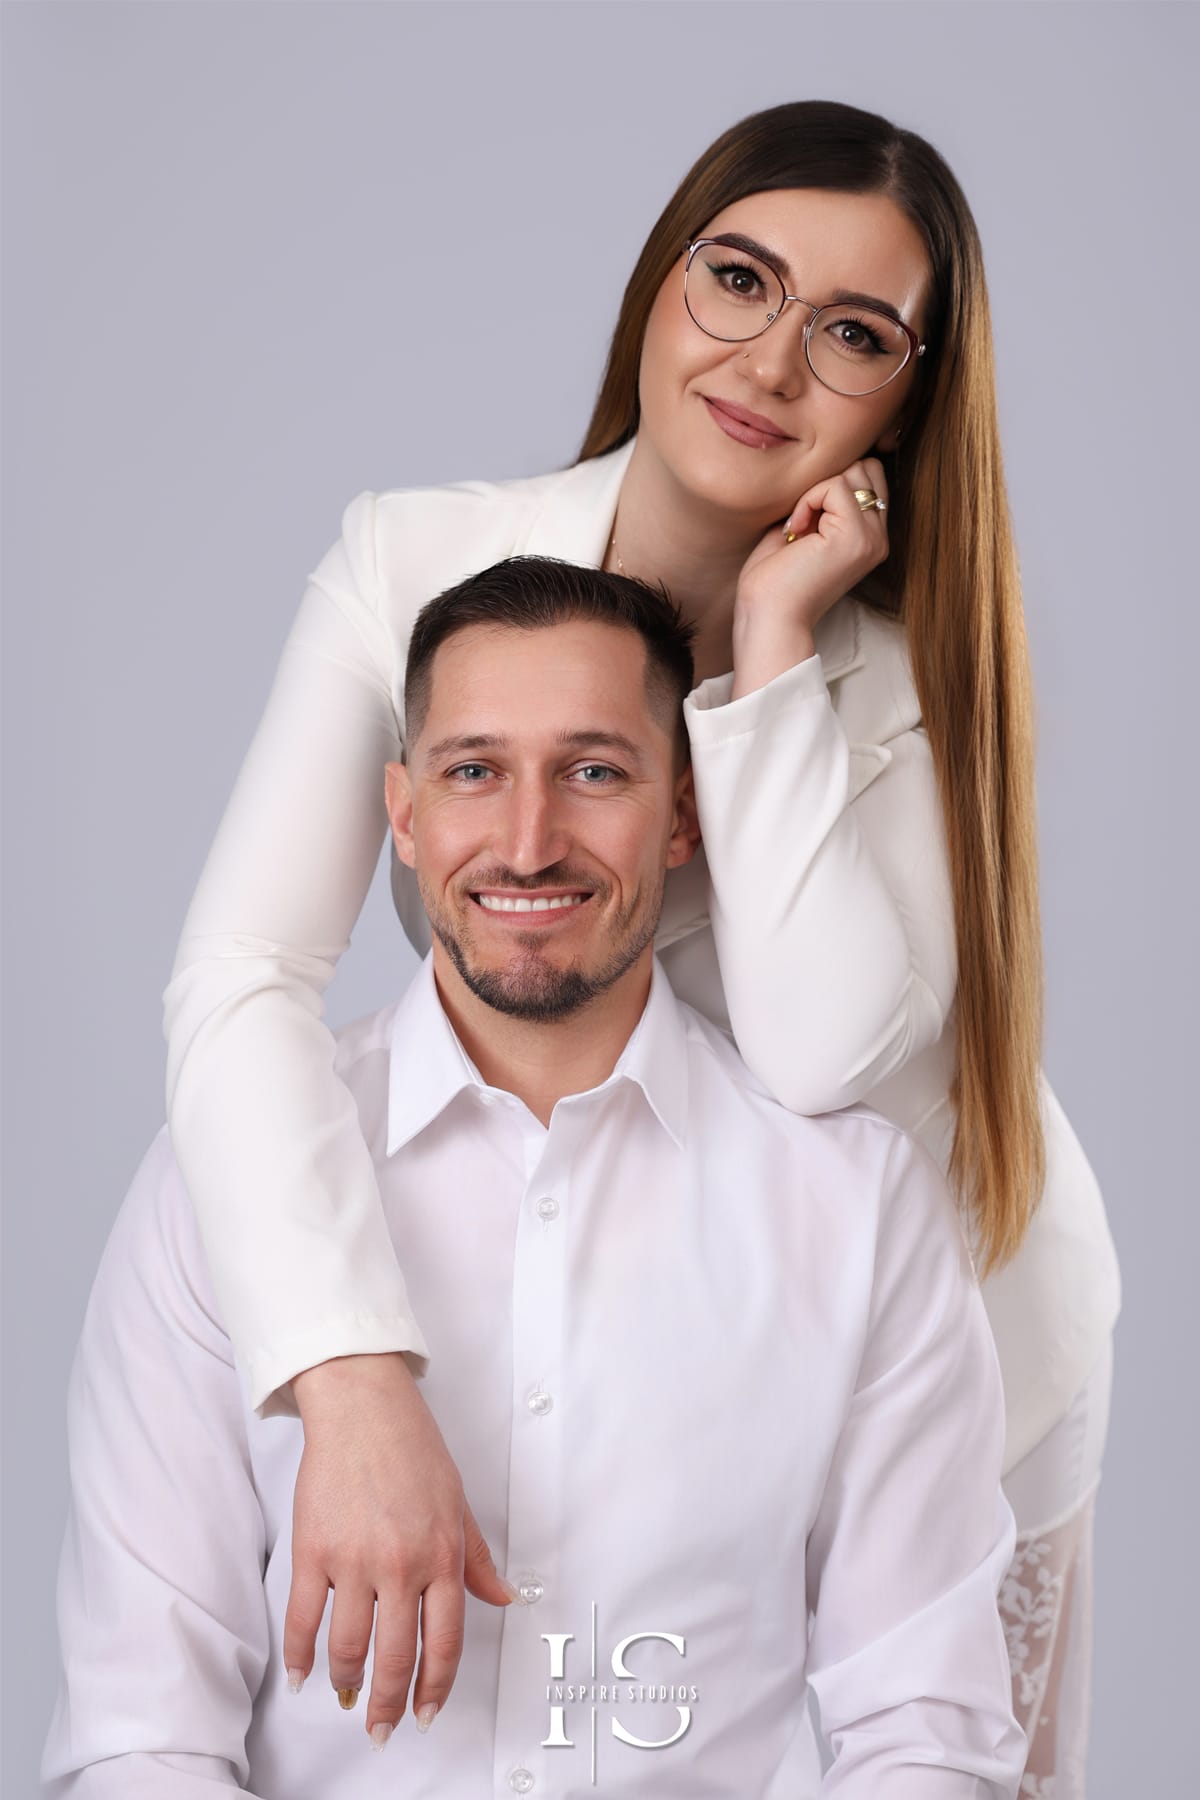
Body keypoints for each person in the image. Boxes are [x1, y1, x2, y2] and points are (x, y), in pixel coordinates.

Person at [159, 99, 1119, 1795]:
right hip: (623, 1298)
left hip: (951, 1318)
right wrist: (351, 1376)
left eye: (854, 336)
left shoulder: (909, 693)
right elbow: (242, 979)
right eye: (738, 278)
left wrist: (765, 653)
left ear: (909, 398)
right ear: (662, 284)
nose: (769, 361)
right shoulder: (412, 560)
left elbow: (823, 1061)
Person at [44, 563, 1027, 1797]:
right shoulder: (216, 1188)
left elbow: (926, 1734)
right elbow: (140, 1738)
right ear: (401, 813)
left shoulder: (858, 1210)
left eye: (595, 771)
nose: (526, 842)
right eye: (473, 771)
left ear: (683, 816)